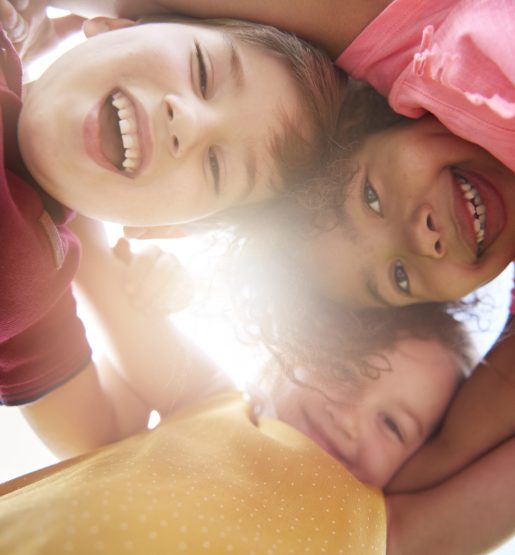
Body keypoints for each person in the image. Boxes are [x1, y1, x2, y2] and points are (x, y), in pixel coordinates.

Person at [0, 13, 346, 455]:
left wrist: (127, 291)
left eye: (216, 167)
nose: (189, 122)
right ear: (114, 27)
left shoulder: (26, 271)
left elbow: (105, 434)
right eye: (203, 73)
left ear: (161, 227)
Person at [0, 303, 472, 555]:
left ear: (422, 461)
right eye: (345, 371)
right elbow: (97, 266)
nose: (348, 419)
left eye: (392, 425)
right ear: (293, 349)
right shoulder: (208, 396)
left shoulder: (385, 535)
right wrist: (150, 272)